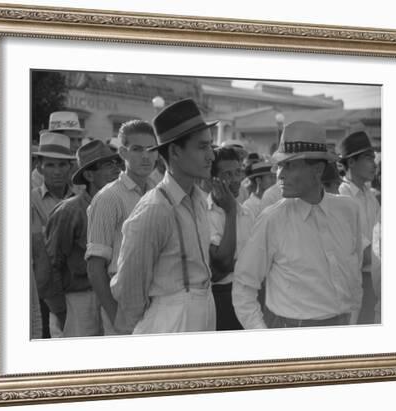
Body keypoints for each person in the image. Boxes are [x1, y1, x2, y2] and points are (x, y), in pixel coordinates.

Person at [232, 121, 364, 329]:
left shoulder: (348, 210)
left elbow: (354, 271)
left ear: (318, 170)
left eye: (290, 165)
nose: (280, 174)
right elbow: (243, 286)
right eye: (280, 165)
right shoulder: (272, 219)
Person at [111, 98, 216, 334]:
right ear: (175, 151)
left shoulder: (198, 200)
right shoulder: (156, 208)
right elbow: (129, 290)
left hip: (202, 313)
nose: (211, 155)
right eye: (202, 147)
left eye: (211, 146)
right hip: (169, 322)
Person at [85, 120, 158, 335]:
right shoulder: (109, 197)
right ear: (123, 153)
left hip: (158, 302)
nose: (146, 156)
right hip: (123, 303)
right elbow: (95, 266)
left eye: (151, 149)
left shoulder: (158, 193)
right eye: (137, 149)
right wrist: (115, 315)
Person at [44, 140, 121, 337]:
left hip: (113, 296)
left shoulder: (122, 204)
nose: (116, 170)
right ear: (89, 175)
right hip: (78, 301)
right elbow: (50, 265)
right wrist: (61, 311)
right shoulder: (69, 211)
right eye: (107, 165)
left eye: (116, 163)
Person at [30, 132, 75, 338]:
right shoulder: (29, 200)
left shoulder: (83, 199)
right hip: (43, 292)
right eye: (50, 165)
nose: (57, 171)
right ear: (39, 168)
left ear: (70, 167)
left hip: (77, 290)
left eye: (62, 165)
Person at [208, 147, 254, 330]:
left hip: (247, 296)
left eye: (238, 172)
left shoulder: (248, 213)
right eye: (227, 174)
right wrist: (231, 211)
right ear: (213, 179)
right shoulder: (202, 213)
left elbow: (257, 263)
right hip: (219, 299)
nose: (235, 180)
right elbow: (218, 268)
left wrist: (234, 263)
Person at [338, 131, 381, 324]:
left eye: (374, 158)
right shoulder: (341, 196)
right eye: (368, 158)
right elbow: (361, 251)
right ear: (351, 162)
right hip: (353, 281)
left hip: (374, 278)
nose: (374, 163)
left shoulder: (370, 196)